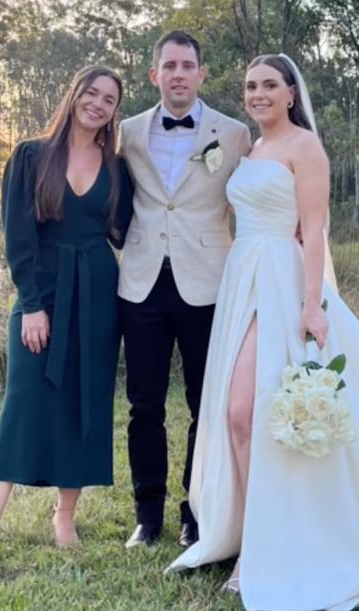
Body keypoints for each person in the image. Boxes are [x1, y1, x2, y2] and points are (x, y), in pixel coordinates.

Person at [168, 54, 359, 611]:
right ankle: (253, 538)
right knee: (240, 417)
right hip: (242, 279)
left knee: (246, 413)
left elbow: (315, 228)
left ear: (291, 93)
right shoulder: (248, 150)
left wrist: (312, 305)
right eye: (250, 85)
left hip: (283, 281)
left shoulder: (305, 148)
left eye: (269, 85)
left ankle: (267, 550)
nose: (258, 94)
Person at [0, 65, 133, 580]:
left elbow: (127, 231)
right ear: (73, 92)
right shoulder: (32, 154)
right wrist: (31, 304)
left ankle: (65, 518)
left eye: (109, 99)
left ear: (114, 111)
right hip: (43, 293)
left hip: (99, 296)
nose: (98, 104)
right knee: (23, 407)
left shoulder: (117, 166)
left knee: (84, 402)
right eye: (92, 92)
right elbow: (17, 236)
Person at [118, 30, 251, 549]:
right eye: (168, 65)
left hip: (210, 283)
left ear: (201, 74)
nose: (177, 74)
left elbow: (266, 186)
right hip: (142, 283)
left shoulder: (235, 133)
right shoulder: (126, 131)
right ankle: (147, 517)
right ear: (154, 75)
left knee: (206, 403)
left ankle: (196, 513)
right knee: (143, 404)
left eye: (187, 65)